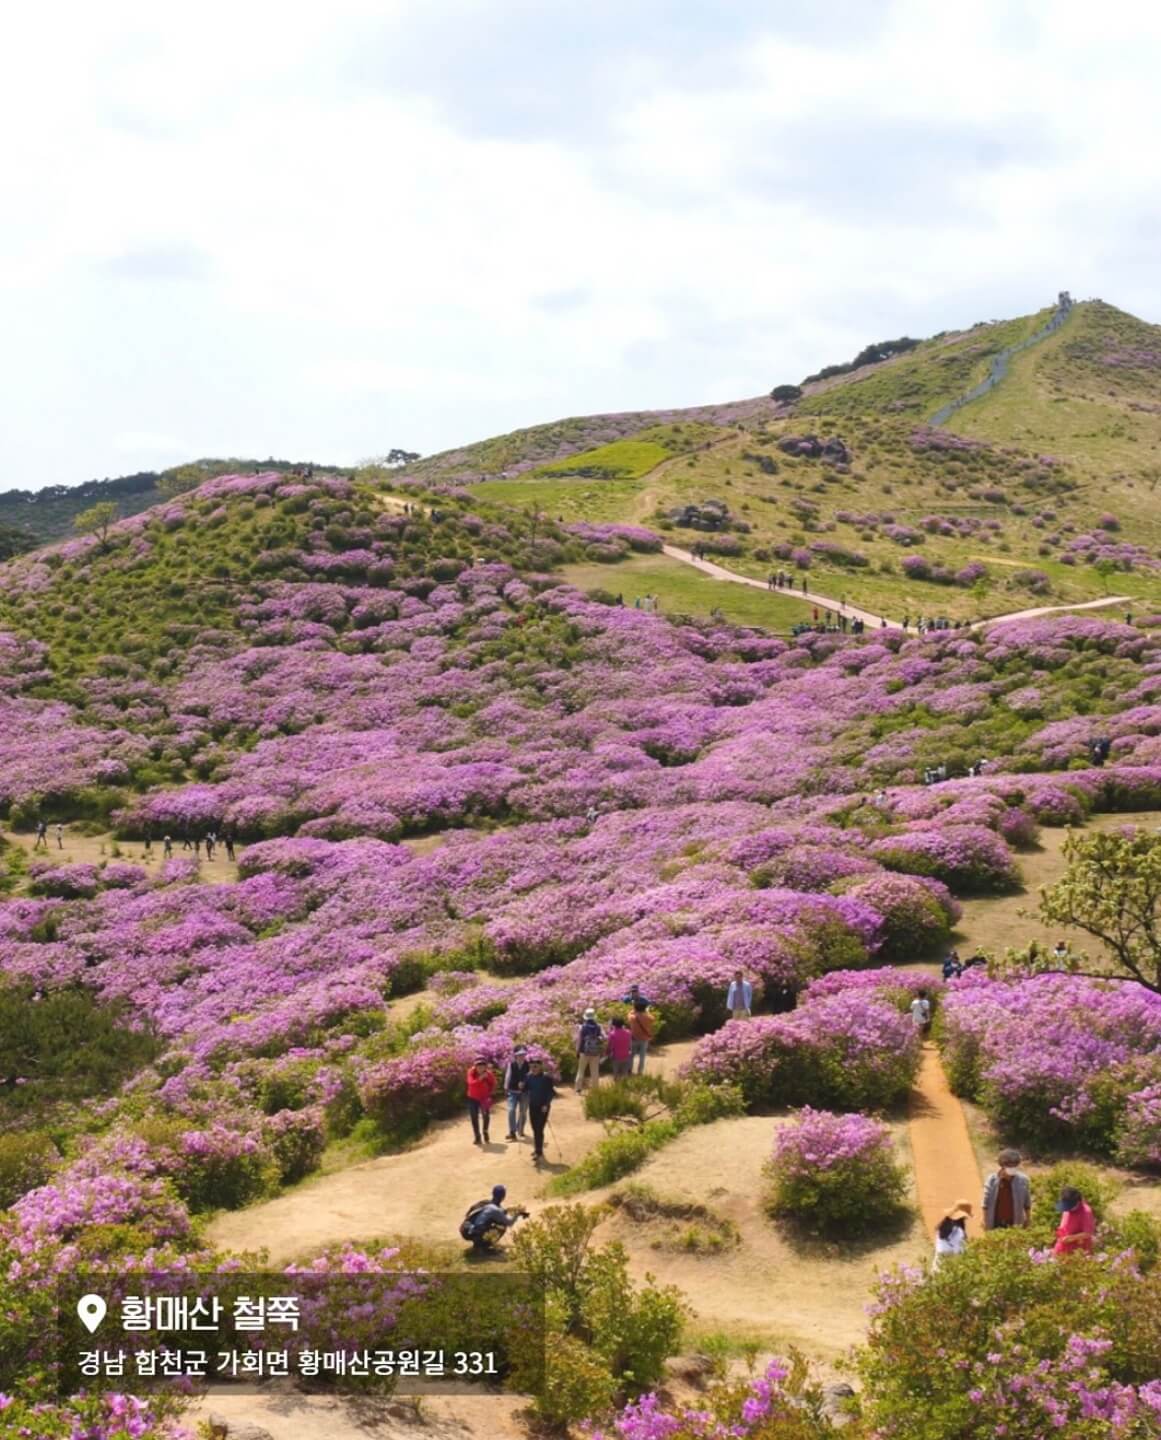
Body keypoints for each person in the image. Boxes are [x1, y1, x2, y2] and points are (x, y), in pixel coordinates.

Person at [459, 1185, 527, 1250]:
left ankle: (478, 1244)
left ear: (493, 1194)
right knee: (502, 1226)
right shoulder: (495, 1210)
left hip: (464, 1229)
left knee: (488, 1223)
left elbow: (472, 1211)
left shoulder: (485, 1202)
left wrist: (506, 1210)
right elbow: (509, 1223)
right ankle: (482, 1247)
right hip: (473, 1232)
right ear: (503, 1197)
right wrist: (518, 1213)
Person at [982, 1149, 1032, 1231]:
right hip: (995, 1223)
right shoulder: (991, 1180)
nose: (1012, 1168)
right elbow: (985, 1203)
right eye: (1009, 1166)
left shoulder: (1023, 1180)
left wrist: (1028, 1219)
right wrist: (984, 1220)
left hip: (1015, 1223)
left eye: (1014, 1165)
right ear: (1002, 1166)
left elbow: (1027, 1203)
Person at [525, 1058, 556, 1162]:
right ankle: (538, 1149)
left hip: (543, 1107)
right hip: (532, 1106)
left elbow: (551, 1093)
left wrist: (546, 1104)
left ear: (540, 1067)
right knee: (534, 1129)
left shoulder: (546, 1078)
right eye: (531, 1066)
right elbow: (526, 1089)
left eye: (535, 1066)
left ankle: (538, 1151)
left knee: (539, 1129)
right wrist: (521, 1086)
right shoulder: (528, 1077)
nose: (533, 1068)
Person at [1053, 1186, 1095, 1257]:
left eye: (1070, 1207)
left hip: (1077, 1249)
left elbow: (1088, 1233)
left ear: (1078, 1202)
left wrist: (1071, 1238)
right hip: (1063, 1245)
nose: (1067, 1209)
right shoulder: (1067, 1209)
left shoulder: (1086, 1212)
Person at [466, 1057, 496, 1146]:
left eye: (482, 1065)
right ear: (475, 1066)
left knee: (486, 1116)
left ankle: (485, 1131)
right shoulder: (471, 1072)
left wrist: (489, 1093)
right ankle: (477, 1136)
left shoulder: (489, 1074)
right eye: (478, 1065)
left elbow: (493, 1083)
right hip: (472, 1097)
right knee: (474, 1117)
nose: (480, 1067)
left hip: (484, 1098)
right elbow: (471, 1083)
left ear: (485, 1066)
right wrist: (480, 1078)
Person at [933, 1201, 973, 1268]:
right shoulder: (958, 1232)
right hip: (949, 1271)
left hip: (936, 1267)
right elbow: (959, 1254)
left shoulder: (941, 1226)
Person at [503, 1045, 530, 1142]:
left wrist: (524, 1083)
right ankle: (512, 1132)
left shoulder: (528, 1065)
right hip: (513, 1091)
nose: (521, 1056)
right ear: (515, 1056)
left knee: (523, 1112)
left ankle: (520, 1129)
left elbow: (530, 1077)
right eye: (519, 1055)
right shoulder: (511, 1064)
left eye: (523, 1054)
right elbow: (508, 1076)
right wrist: (506, 1088)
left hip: (525, 1092)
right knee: (511, 1110)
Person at [575, 1008, 605, 1092]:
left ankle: (578, 1088)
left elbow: (579, 1040)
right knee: (595, 1071)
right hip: (595, 1052)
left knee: (581, 1070)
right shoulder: (599, 1026)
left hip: (584, 1052)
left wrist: (577, 1051)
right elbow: (603, 1038)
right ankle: (595, 1089)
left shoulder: (582, 1027)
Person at [628, 999, 655, 1074]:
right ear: (644, 1008)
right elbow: (652, 1018)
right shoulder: (648, 1017)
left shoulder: (632, 1017)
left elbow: (629, 1014)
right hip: (644, 1039)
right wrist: (646, 1011)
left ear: (636, 1008)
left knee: (631, 1056)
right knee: (642, 1057)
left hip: (633, 1039)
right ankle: (640, 1072)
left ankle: (629, 1070)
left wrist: (633, 1010)